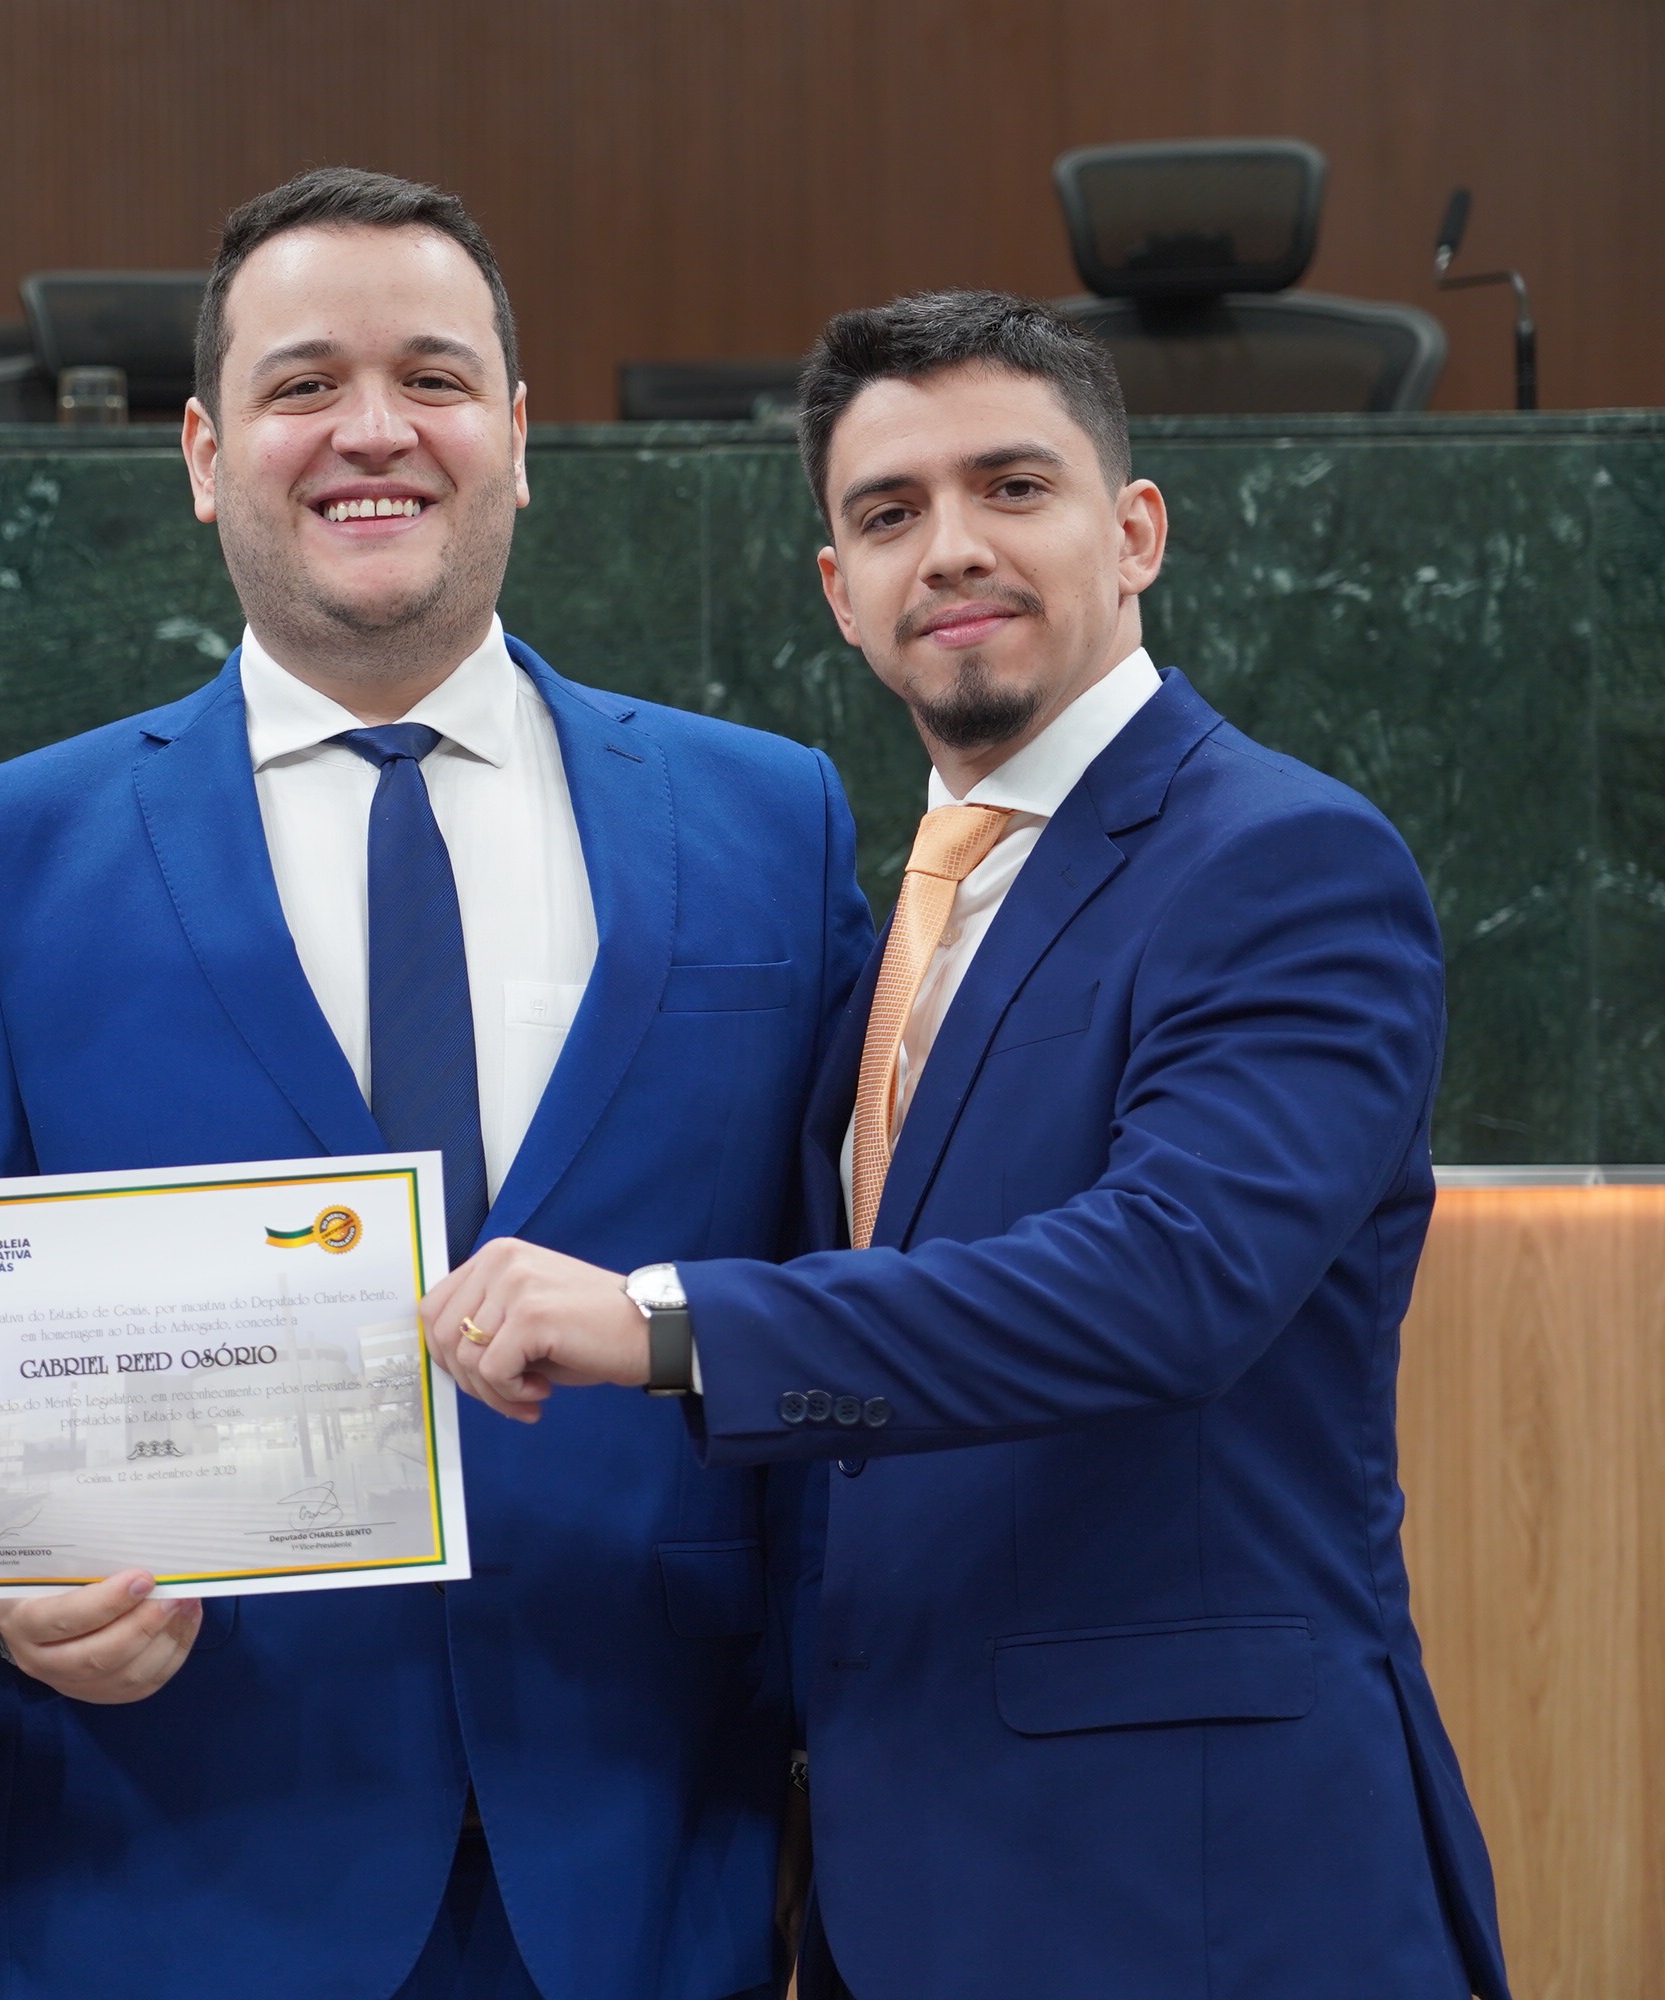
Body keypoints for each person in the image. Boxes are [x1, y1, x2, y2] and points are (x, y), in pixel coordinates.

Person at [421, 290, 1511, 2000]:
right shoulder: (894, 925)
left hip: (1202, 1895)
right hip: (889, 1878)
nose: (950, 549)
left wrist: (662, 1322)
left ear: (1133, 531)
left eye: (1012, 486)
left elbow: (1168, 1282)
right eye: (888, 513)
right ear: (837, 590)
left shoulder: (1285, 862)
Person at [0, 167, 873, 2000]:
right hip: (159, 1873)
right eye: (301, 384)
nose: (372, 432)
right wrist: (0, 1600)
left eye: (432, 378)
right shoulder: (3, 855)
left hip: (646, 1862)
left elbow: (829, 1311)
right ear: (203, 455)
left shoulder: (766, 823)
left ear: (518, 435)